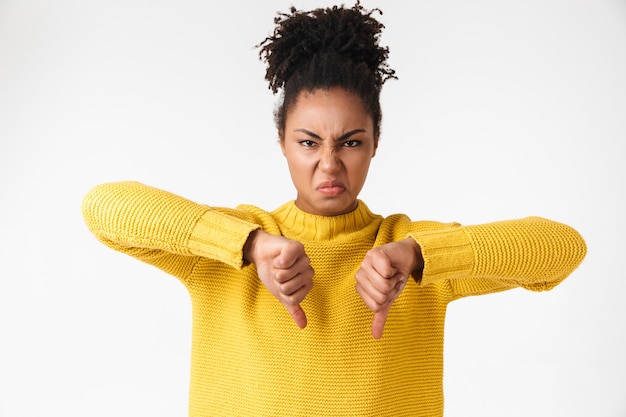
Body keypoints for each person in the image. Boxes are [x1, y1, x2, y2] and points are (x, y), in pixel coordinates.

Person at [81, 2, 587, 416]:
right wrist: (249, 245)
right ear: (282, 141)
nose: (329, 164)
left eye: (349, 142)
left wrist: (417, 257)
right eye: (308, 142)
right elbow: (102, 208)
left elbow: (563, 248)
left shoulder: (410, 251)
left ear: (374, 144)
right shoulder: (231, 243)